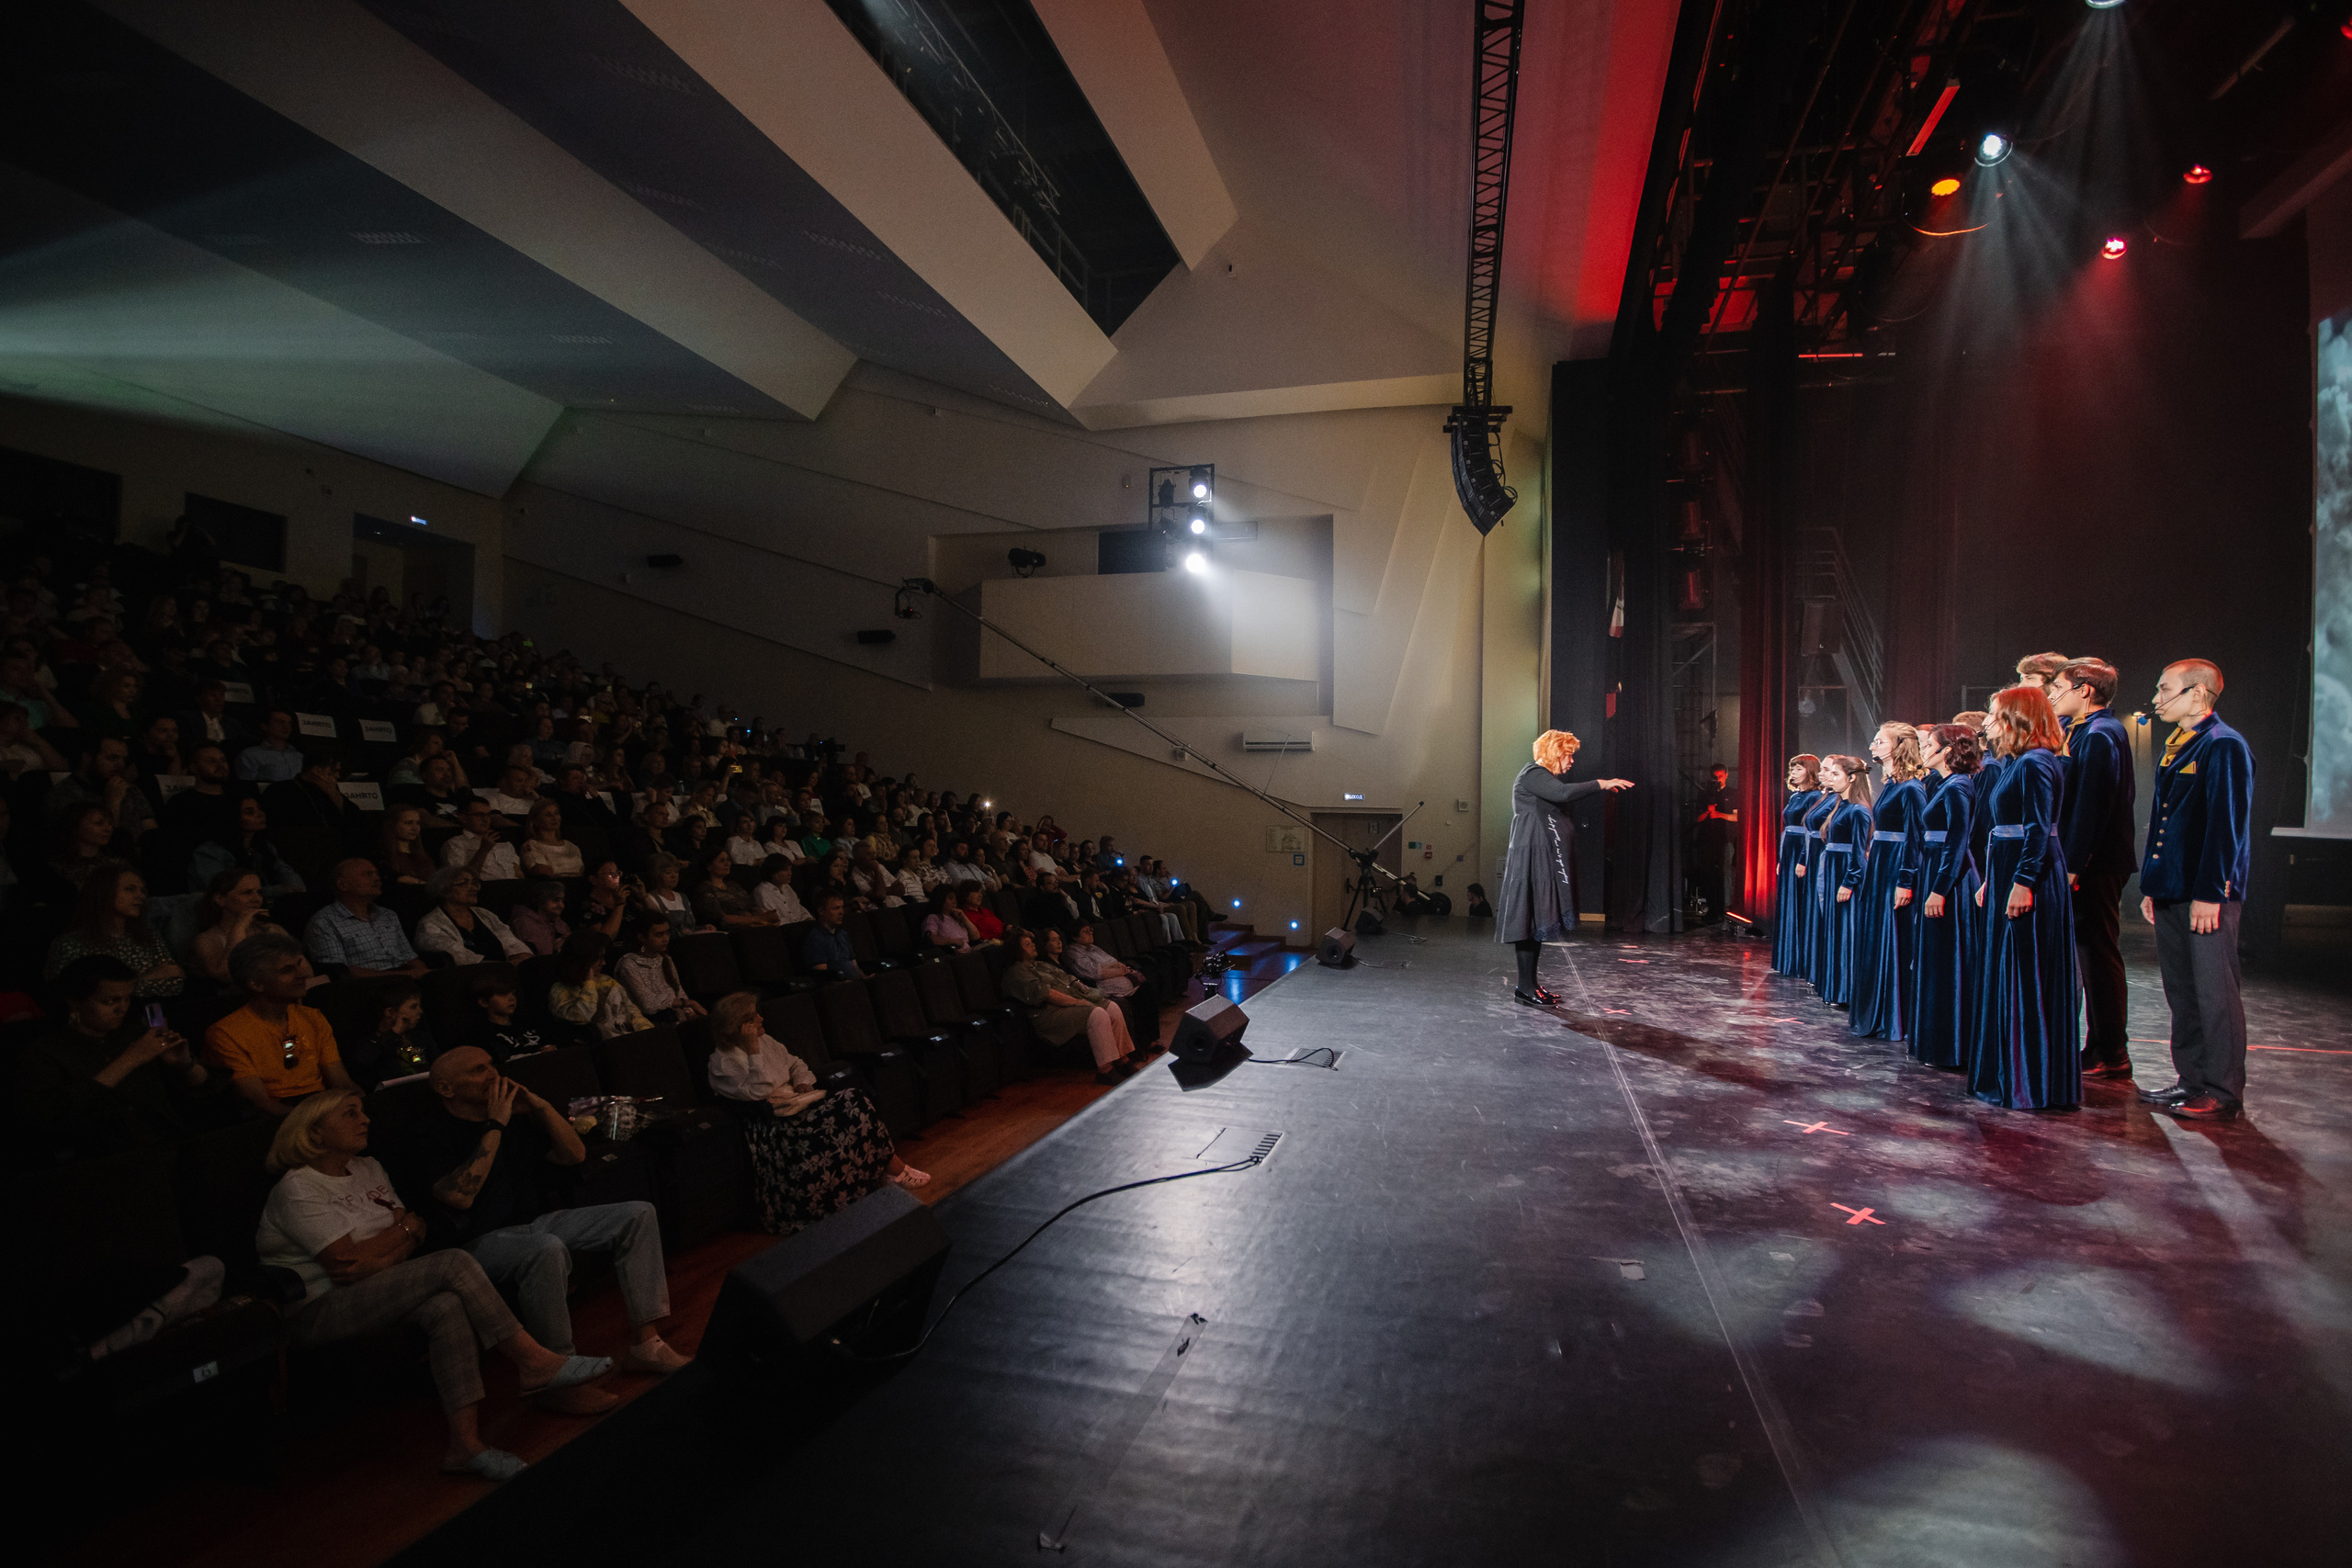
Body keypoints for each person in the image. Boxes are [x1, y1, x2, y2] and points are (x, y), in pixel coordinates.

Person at [256, 1090, 615, 1479]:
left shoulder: (368, 1167)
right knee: (453, 1262)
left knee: (446, 1306)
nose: (365, 1120)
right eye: (349, 1114)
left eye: (362, 1112)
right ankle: (534, 1361)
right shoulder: (298, 1187)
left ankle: (465, 1445)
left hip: (378, 1284)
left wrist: (384, 1253)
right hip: (318, 1309)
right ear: (314, 1132)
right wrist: (399, 1236)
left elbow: (414, 1227)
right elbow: (345, 1262)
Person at [379, 1047, 689, 1413]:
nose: (492, 1074)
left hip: (535, 1222)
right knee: (546, 1247)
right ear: (446, 1088)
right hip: (475, 1242)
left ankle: (646, 1345)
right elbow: (460, 1196)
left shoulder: (514, 1119)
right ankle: (557, 1376)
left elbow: (574, 1155)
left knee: (637, 1213)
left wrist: (541, 1107)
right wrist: (494, 1124)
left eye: (491, 1065)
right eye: (478, 1070)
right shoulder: (427, 1134)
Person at [2136, 660, 2254, 1122]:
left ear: (2198, 694)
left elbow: (2226, 826)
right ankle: (2191, 1078)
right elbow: (2164, 822)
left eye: (2166, 690)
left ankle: (2222, 1089)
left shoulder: (2224, 744)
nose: (2157, 699)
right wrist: (2154, 885)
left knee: (2214, 994)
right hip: (2172, 888)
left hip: (2204, 893)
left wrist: (2211, 893)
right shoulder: (2180, 743)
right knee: (2182, 992)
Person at [704, 991, 925, 1234]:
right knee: (850, 1107)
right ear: (739, 1027)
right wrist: (753, 1051)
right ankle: (892, 1169)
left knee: (854, 1100)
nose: (761, 1019)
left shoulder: (766, 1041)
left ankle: (886, 1170)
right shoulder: (722, 1063)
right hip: (773, 1125)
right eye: (753, 1018)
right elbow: (760, 1092)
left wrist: (801, 1080)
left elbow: (795, 1063)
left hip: (797, 1104)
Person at [1967, 686, 2079, 1112]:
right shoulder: (2017, 762)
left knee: (2022, 971)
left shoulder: (2035, 762)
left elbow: (2037, 829)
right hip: (2007, 871)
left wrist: (2022, 882)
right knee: (2006, 969)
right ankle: (2008, 1070)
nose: (1989, 724)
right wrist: (1992, 879)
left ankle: (2027, 1078)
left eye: (1996, 716)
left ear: (2018, 719)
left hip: (2027, 874)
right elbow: (2005, 829)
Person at [17, 954, 225, 1156]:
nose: (122, 1009)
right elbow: (53, 1117)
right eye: (110, 1001)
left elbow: (209, 1096)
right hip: (108, 1160)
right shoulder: (46, 1053)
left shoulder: (137, 1034)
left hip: (173, 1145)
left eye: (127, 999)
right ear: (75, 1002)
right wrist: (130, 1059)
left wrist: (185, 1064)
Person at [1498, 729, 1634, 1006]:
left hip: (1538, 853)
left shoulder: (1541, 778)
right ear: (1554, 752)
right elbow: (1562, 793)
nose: (1571, 761)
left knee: (1536, 920)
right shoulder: (1533, 774)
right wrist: (1601, 783)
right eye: (1568, 755)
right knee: (1528, 920)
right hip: (1531, 854)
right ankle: (1525, 987)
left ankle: (1530, 985)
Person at [2048, 659, 2136, 1082]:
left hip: (2095, 863)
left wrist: (2073, 864)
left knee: (2098, 955)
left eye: (2058, 687)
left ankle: (2110, 1050)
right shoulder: (2082, 731)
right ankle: (2098, 1046)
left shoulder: (2102, 734)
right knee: (2087, 953)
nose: (2052, 696)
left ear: (2084, 690)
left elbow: (2091, 806)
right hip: (2085, 860)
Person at [205, 931, 356, 1117]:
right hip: (279, 1118)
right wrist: (318, 1122)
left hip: (321, 1106)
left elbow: (342, 1083)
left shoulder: (312, 1017)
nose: (303, 974)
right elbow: (261, 1104)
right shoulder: (225, 1033)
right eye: (288, 970)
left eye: (299, 965)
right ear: (256, 984)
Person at [1907, 725, 1984, 1072]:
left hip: (1949, 880)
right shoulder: (1945, 784)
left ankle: (1952, 1045)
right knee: (1936, 961)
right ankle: (1937, 1041)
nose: (1923, 751)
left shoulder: (1958, 786)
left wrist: (1939, 889)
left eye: (1929, 745)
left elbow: (1957, 841)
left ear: (1947, 751)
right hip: (1937, 871)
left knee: (1949, 961)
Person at [1849, 725, 1927, 1042]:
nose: (1872, 745)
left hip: (1895, 867)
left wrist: (1906, 879)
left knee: (1894, 939)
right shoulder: (1893, 785)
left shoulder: (1911, 788)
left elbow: (1916, 838)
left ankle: (1895, 1015)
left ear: (1898, 747)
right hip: (1881, 865)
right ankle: (1879, 1010)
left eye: (1880, 741)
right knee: (1878, 936)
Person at [998, 927, 1138, 1084]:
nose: (1033, 946)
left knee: (1112, 1008)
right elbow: (1047, 994)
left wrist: (1078, 985)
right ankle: (1105, 1070)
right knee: (1097, 1014)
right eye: (1027, 944)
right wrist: (1078, 1002)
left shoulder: (1040, 965)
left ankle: (1122, 1058)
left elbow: (1066, 977)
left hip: (1067, 1005)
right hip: (1048, 1014)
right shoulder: (1017, 973)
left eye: (1032, 942)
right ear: (1017, 951)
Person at [45, 860, 187, 999]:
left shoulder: (148, 937)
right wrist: (148, 978)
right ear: (104, 892)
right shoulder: (71, 943)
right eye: (130, 889)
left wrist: (122, 989)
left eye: (143, 891)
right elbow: (70, 994)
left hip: (154, 1010)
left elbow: (175, 979)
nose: (141, 896)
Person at [1811, 756, 1873, 1010]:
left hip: (1845, 871)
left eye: (1836, 774)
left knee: (1847, 931)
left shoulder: (1858, 810)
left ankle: (1847, 990)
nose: (1831, 778)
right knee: (1835, 931)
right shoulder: (1841, 805)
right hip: (1833, 868)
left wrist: (1849, 881)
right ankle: (1836, 987)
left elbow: (1860, 851)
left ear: (1852, 778)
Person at [305, 858, 429, 980]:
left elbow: (410, 957)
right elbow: (340, 971)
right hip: (367, 985)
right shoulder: (324, 922)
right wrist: (405, 975)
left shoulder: (388, 915)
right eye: (367, 874)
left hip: (405, 979)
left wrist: (424, 974)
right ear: (343, 885)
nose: (377, 878)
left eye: (376, 874)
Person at [187, 794, 307, 901]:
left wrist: (293, 888)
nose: (261, 814)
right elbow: (224, 892)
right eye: (250, 812)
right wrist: (279, 890)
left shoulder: (264, 848)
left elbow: (288, 875)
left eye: (259, 809)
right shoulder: (210, 852)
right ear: (233, 817)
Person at [415, 865, 532, 966]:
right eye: (464, 883)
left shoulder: (484, 914)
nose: (474, 888)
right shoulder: (431, 924)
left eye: (474, 883)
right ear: (444, 890)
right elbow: (458, 958)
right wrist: (504, 967)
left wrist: (521, 957)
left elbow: (510, 941)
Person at [547, 930, 652, 1040]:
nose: (603, 963)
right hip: (599, 1045)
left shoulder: (606, 981)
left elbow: (631, 1012)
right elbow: (584, 1016)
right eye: (598, 958)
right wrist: (589, 982)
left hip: (628, 1039)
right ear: (583, 959)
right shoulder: (560, 990)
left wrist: (647, 1032)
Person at [1770, 755, 1823, 976]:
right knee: (1788, 900)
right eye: (1792, 768)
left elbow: (1810, 831)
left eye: (1799, 769)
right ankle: (1788, 957)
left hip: (1803, 849)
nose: (1793, 772)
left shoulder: (1815, 797)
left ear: (1810, 772)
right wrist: (1782, 859)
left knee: (1800, 901)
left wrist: (1803, 859)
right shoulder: (1795, 797)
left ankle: (1801, 959)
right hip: (1789, 850)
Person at [187, 868, 285, 984]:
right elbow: (227, 975)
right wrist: (240, 926)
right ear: (220, 899)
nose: (256, 899)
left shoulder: (272, 930)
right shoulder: (206, 941)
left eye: (259, 893)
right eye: (247, 892)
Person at [614, 919, 704, 1022]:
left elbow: (678, 990)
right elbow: (647, 1004)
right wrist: (687, 1003)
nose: (665, 939)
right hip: (650, 1021)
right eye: (659, 935)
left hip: (675, 1016)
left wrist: (690, 1011)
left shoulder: (666, 959)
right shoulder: (629, 964)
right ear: (642, 937)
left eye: (667, 933)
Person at [1689, 762, 1739, 916]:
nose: (1718, 780)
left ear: (1726, 775)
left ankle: (1726, 905)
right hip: (1706, 839)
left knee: (1725, 871)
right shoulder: (1704, 794)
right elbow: (1697, 818)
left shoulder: (1732, 793)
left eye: (1720, 776)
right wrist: (1707, 812)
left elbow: (1737, 817)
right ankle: (1711, 904)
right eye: (1715, 777)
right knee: (1707, 872)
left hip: (1726, 839)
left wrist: (1719, 814)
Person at [691, 850, 772, 930]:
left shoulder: (733, 885)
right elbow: (723, 919)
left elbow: (753, 906)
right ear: (709, 866)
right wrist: (758, 919)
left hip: (752, 925)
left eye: (728, 860)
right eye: (721, 861)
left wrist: (767, 918)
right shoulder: (704, 889)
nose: (727, 864)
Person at [798, 892, 861, 980]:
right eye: (836, 908)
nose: (841, 912)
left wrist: (864, 978)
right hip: (840, 985)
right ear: (821, 911)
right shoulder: (816, 939)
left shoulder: (843, 934)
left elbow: (854, 965)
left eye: (842, 907)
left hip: (854, 983)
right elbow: (823, 976)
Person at [517, 799, 583, 879]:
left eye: (556, 813)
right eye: (548, 815)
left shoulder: (571, 846)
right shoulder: (531, 846)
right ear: (536, 821)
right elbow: (544, 873)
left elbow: (582, 872)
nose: (554, 818)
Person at [234, 709, 303, 784]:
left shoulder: (299, 757)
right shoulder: (250, 755)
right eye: (280, 722)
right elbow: (246, 785)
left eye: (289, 723)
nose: (286, 726)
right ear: (264, 726)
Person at [377, 805, 437, 887]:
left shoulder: (425, 854)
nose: (415, 828)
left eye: (418, 823)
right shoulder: (382, 855)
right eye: (408, 823)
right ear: (392, 825)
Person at [508, 880, 571, 958]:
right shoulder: (525, 923)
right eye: (555, 900)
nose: (562, 906)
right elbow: (543, 955)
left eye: (563, 901)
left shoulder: (556, 920)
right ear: (540, 900)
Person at [754, 853, 811, 924]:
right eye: (785, 870)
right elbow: (773, 920)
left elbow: (799, 908)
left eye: (790, 869)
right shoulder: (762, 892)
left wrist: (810, 919)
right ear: (773, 872)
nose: (790, 874)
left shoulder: (786, 887)